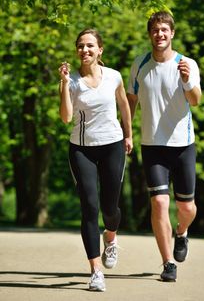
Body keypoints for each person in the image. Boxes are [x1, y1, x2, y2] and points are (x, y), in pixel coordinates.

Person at [127, 11, 201, 282]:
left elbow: (195, 100)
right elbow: (130, 100)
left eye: (164, 30)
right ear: (150, 34)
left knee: (187, 208)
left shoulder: (187, 63)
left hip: (183, 145)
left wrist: (187, 81)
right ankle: (168, 262)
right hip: (152, 146)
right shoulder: (140, 64)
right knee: (159, 203)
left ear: (172, 33)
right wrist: (126, 132)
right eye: (155, 30)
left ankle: (182, 232)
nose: (160, 34)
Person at [58, 28, 132, 292]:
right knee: (90, 207)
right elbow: (66, 117)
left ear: (100, 50)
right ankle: (96, 271)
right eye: (80, 46)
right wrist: (64, 84)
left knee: (110, 208)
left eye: (90, 46)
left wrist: (128, 135)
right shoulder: (72, 80)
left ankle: (110, 239)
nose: (85, 50)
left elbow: (123, 104)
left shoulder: (114, 76)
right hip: (82, 149)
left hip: (112, 145)